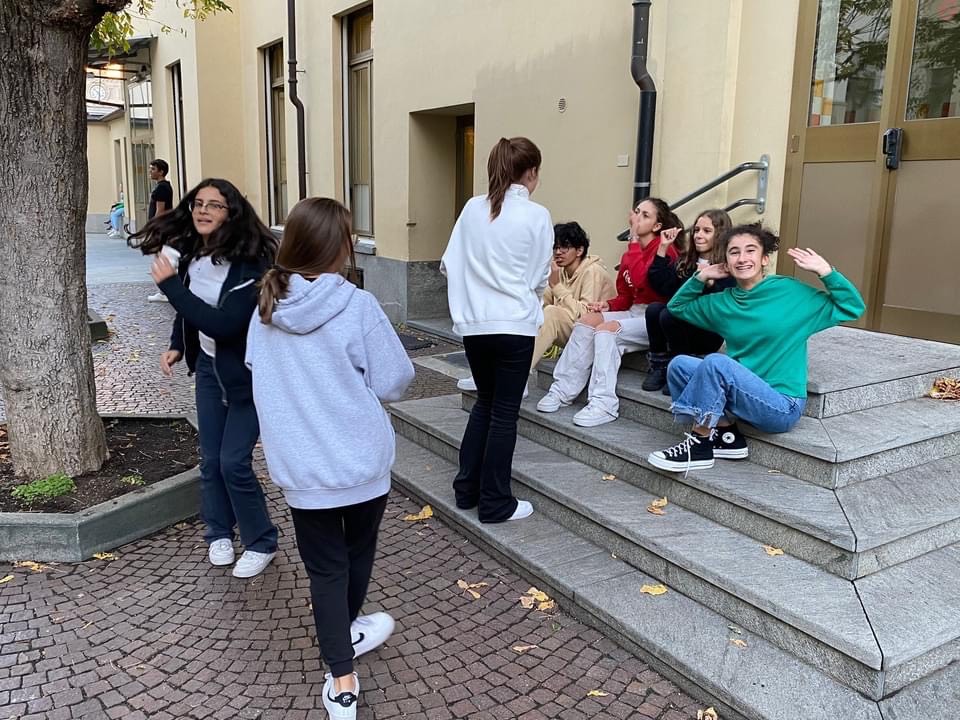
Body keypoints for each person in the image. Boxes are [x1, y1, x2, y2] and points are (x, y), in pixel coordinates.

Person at [247, 197, 414, 720]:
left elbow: (256, 371)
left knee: (324, 569)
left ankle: (342, 680)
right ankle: (344, 640)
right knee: (357, 555)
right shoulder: (357, 305)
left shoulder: (265, 308)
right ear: (339, 246)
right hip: (361, 461)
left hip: (302, 467)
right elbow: (395, 379)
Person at [129, 178, 280, 578]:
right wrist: (178, 344)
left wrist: (169, 286)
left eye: (214, 205)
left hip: (248, 376)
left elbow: (226, 324)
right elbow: (191, 308)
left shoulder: (251, 265)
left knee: (234, 463)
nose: (203, 210)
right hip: (211, 371)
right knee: (211, 461)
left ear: (232, 212)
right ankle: (219, 531)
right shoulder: (195, 254)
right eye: (198, 203)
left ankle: (261, 541)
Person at [647, 224, 866, 472]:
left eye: (750, 251)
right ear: (726, 262)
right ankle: (726, 434)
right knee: (679, 365)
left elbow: (852, 307)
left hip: (782, 404)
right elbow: (677, 308)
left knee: (716, 362)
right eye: (734, 252)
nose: (742, 258)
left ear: (764, 259)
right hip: (742, 395)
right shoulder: (723, 302)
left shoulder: (789, 292)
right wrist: (700, 277)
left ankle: (699, 445)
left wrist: (826, 272)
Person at [441, 136, 553, 523]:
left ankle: (466, 489)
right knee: (504, 413)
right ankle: (495, 503)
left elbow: (448, 264)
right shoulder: (536, 215)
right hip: (514, 323)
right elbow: (540, 275)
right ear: (531, 172)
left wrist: (473, 293)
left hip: (475, 325)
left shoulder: (473, 208)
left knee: (484, 404)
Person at [536, 197, 682, 427]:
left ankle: (604, 403)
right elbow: (627, 296)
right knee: (587, 321)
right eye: (637, 211)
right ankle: (562, 389)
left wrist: (633, 242)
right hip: (634, 312)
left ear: (657, 226)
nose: (636, 217)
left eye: (645, 215)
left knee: (606, 331)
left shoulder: (664, 249)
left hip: (656, 319)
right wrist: (609, 305)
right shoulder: (632, 252)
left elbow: (641, 280)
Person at [456, 221, 615, 391]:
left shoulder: (593, 271)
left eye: (564, 247)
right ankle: (490, 372)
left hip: (595, 334)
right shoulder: (560, 271)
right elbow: (541, 301)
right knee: (527, 311)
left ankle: (518, 377)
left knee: (551, 313)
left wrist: (557, 287)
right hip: (573, 332)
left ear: (579, 250)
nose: (558, 252)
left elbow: (584, 314)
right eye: (555, 247)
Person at [642, 208, 735, 392]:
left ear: (720, 235)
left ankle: (682, 371)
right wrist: (663, 248)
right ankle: (659, 366)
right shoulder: (687, 261)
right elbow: (661, 285)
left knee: (669, 315)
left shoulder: (726, 267)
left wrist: (709, 283)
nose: (698, 235)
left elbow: (724, 304)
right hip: (679, 328)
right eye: (696, 230)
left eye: (706, 231)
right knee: (654, 309)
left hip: (708, 333)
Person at [147, 159, 174, 302]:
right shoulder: (164, 186)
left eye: (153, 169)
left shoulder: (161, 189)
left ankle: (164, 292)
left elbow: (160, 210)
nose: (150, 171)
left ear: (161, 172)